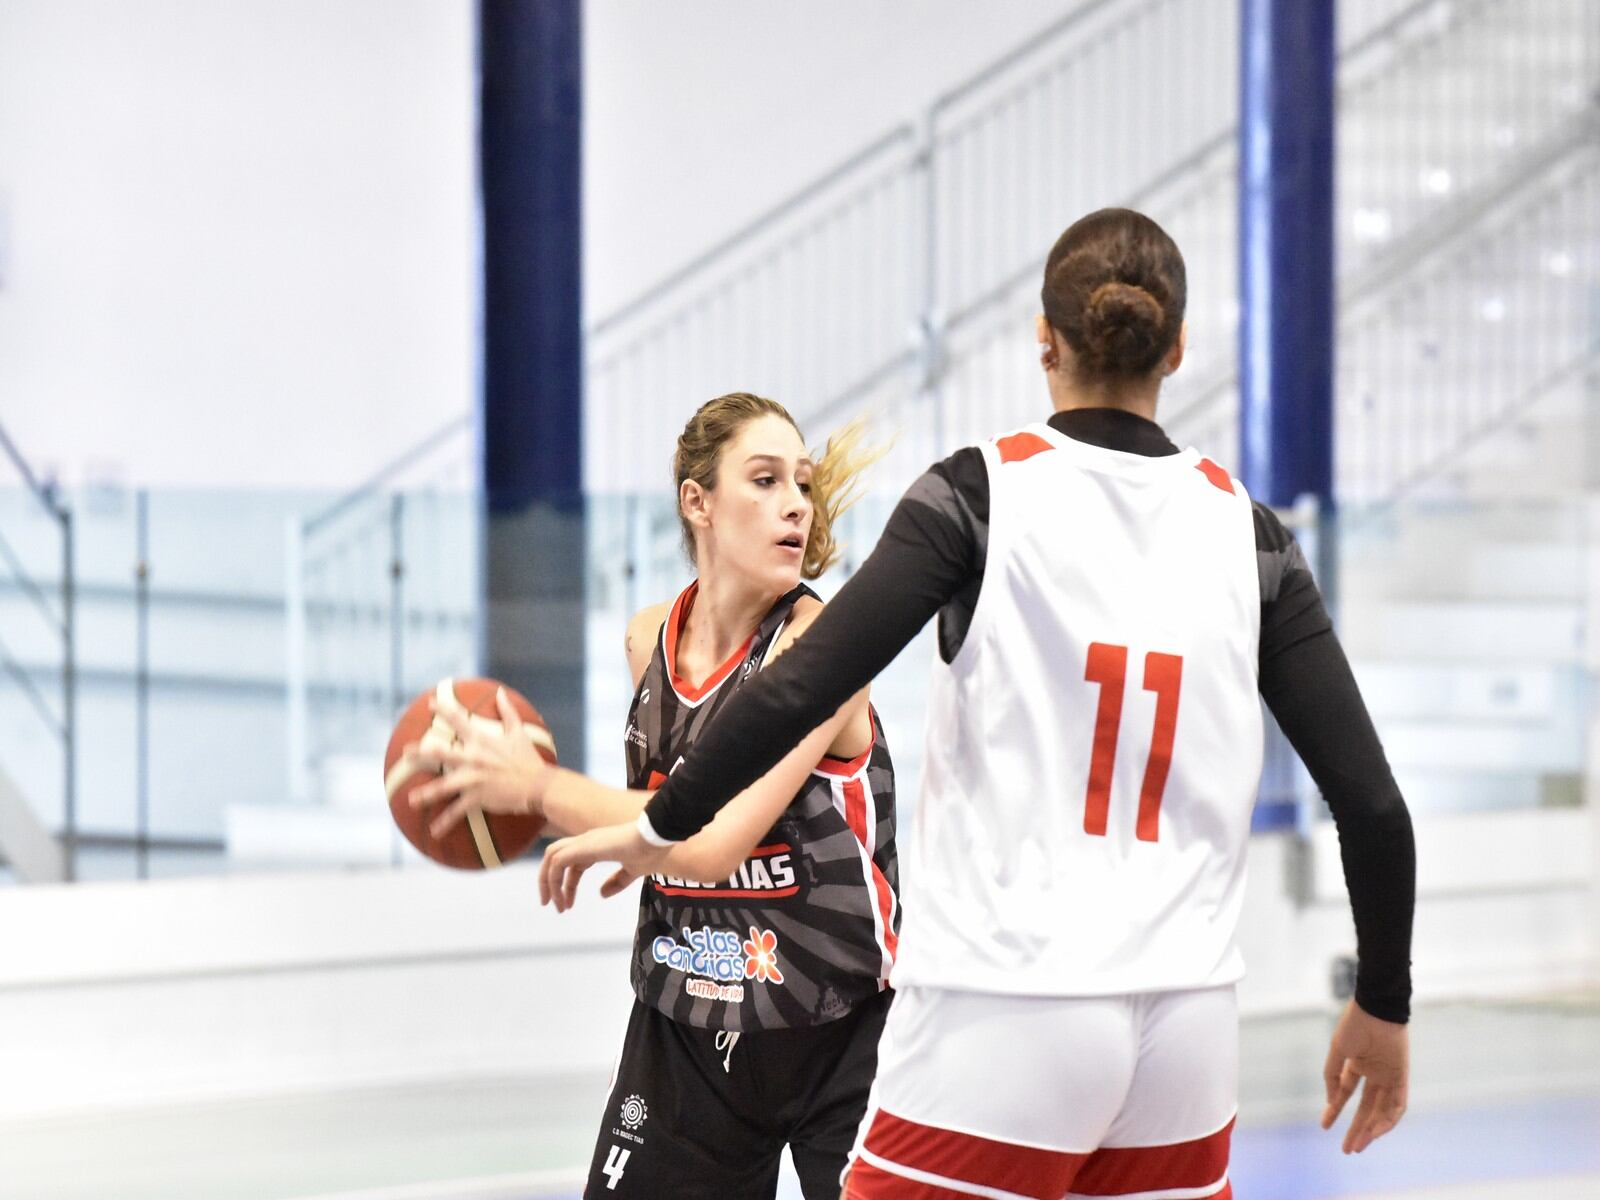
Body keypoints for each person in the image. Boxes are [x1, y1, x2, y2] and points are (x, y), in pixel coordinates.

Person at [541, 209, 1416, 1199]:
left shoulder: (980, 494)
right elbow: (1372, 803)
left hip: (1009, 1008)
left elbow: (796, 684)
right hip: (1188, 1030)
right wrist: (1383, 1001)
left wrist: (657, 823)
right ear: (1176, 349)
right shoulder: (1249, 535)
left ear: (1043, 342)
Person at [409, 392, 899, 1199]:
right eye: (766, 480)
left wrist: (539, 788)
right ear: (697, 503)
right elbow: (650, 829)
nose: (795, 505)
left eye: (803, 485)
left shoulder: (821, 645)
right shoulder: (649, 640)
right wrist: (524, 801)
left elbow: (710, 843)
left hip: (842, 1034)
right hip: (690, 1028)